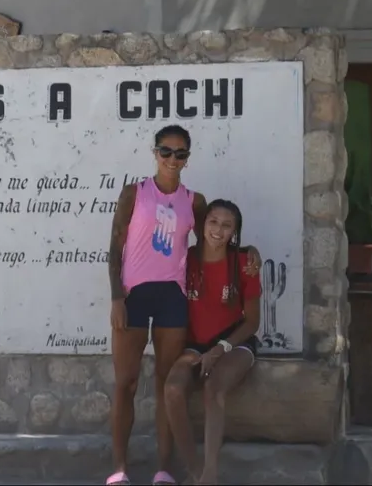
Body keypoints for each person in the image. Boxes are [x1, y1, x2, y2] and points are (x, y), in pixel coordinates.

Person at [105, 127, 258, 486]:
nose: (172, 159)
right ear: (154, 153)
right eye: (166, 152)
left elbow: (217, 237)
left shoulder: (195, 202)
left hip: (173, 297)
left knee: (163, 382)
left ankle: (163, 469)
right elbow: (114, 248)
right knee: (125, 382)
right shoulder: (134, 193)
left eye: (180, 154)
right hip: (134, 296)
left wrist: (251, 253)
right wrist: (115, 297)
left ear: (188, 159)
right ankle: (119, 468)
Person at [163, 199, 262, 485]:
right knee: (172, 389)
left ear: (235, 232)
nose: (218, 230)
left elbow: (252, 322)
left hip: (235, 342)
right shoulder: (186, 258)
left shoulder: (244, 263)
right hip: (195, 343)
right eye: (213, 222)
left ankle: (210, 475)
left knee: (213, 388)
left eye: (227, 225)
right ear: (202, 224)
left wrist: (220, 350)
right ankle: (194, 470)